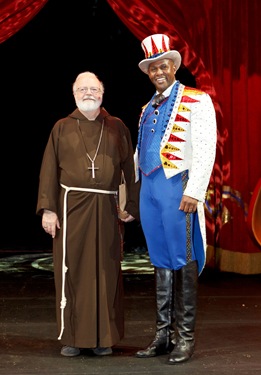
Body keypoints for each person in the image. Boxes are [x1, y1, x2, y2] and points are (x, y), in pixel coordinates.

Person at [36, 71, 139, 357]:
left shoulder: (117, 127)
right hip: (71, 210)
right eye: (82, 89)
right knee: (74, 271)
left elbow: (130, 172)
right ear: (74, 94)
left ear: (102, 93)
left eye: (93, 88)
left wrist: (131, 206)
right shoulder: (61, 127)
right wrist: (48, 208)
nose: (88, 93)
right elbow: (48, 170)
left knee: (107, 272)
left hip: (107, 210)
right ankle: (73, 337)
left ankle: (104, 338)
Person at [134, 34, 217, 364]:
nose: (158, 71)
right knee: (159, 261)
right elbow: (141, 153)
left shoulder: (196, 100)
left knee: (182, 260)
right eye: (152, 67)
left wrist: (195, 190)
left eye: (163, 65)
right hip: (150, 190)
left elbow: (207, 147)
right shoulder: (144, 108)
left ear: (174, 66)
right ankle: (163, 336)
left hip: (177, 188)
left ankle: (185, 338)